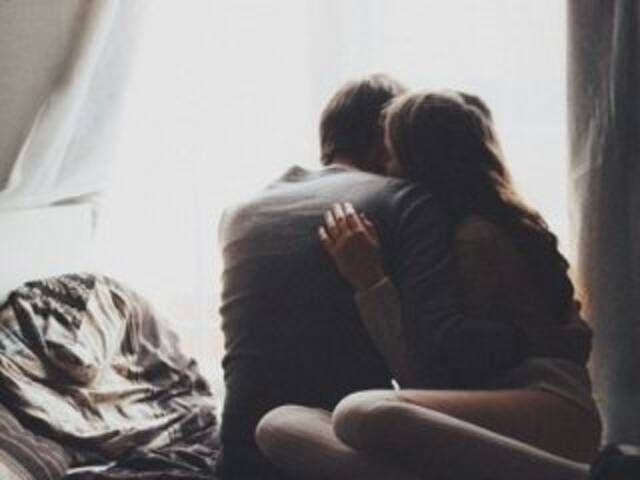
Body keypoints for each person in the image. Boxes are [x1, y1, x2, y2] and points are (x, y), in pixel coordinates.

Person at [217, 77, 591, 479]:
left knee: (361, 412)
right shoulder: (432, 216)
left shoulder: (475, 234)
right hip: (480, 417)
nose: (387, 171)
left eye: (392, 156)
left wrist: (371, 282)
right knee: (277, 426)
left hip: (544, 403)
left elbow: (434, 371)